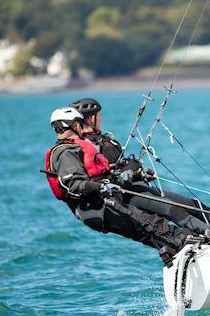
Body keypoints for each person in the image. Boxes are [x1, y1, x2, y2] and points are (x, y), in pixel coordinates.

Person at [43, 107, 194, 261]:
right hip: (99, 209)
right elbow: (74, 184)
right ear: (75, 126)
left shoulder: (70, 149)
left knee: (147, 230)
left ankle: (178, 252)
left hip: (100, 207)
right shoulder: (66, 153)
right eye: (80, 125)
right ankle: (189, 243)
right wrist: (101, 186)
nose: (82, 130)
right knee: (150, 224)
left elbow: (91, 174)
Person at [67, 97, 210, 235]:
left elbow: (122, 164)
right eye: (99, 115)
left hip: (136, 186)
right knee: (173, 210)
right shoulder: (85, 147)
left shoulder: (106, 139)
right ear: (90, 118)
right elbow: (101, 176)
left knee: (194, 205)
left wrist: (139, 172)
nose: (101, 119)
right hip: (124, 194)